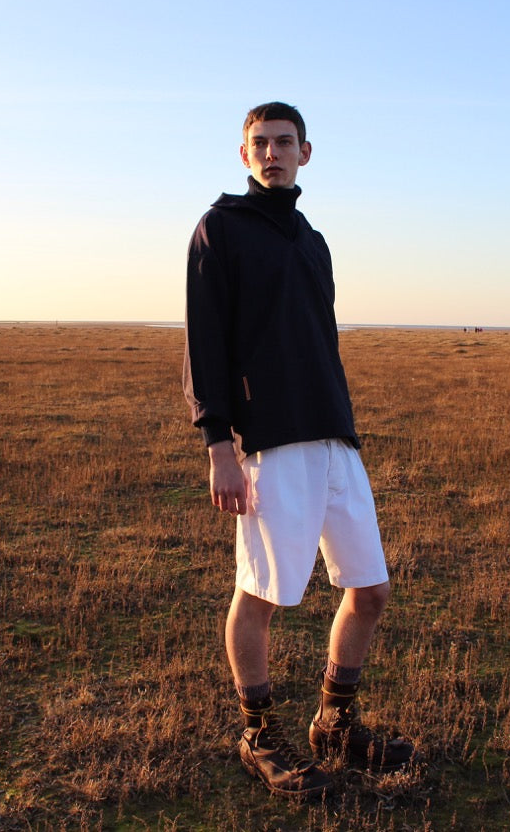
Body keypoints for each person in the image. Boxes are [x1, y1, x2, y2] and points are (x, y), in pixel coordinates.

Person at [183, 102, 413, 799]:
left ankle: (336, 724)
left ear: (305, 153)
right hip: (267, 444)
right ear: (244, 154)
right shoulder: (219, 229)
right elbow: (204, 344)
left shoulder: (312, 240)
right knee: (259, 594)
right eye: (260, 143)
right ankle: (258, 732)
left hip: (334, 437)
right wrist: (219, 444)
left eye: (284, 142)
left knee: (369, 590)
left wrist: (341, 423)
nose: (272, 153)